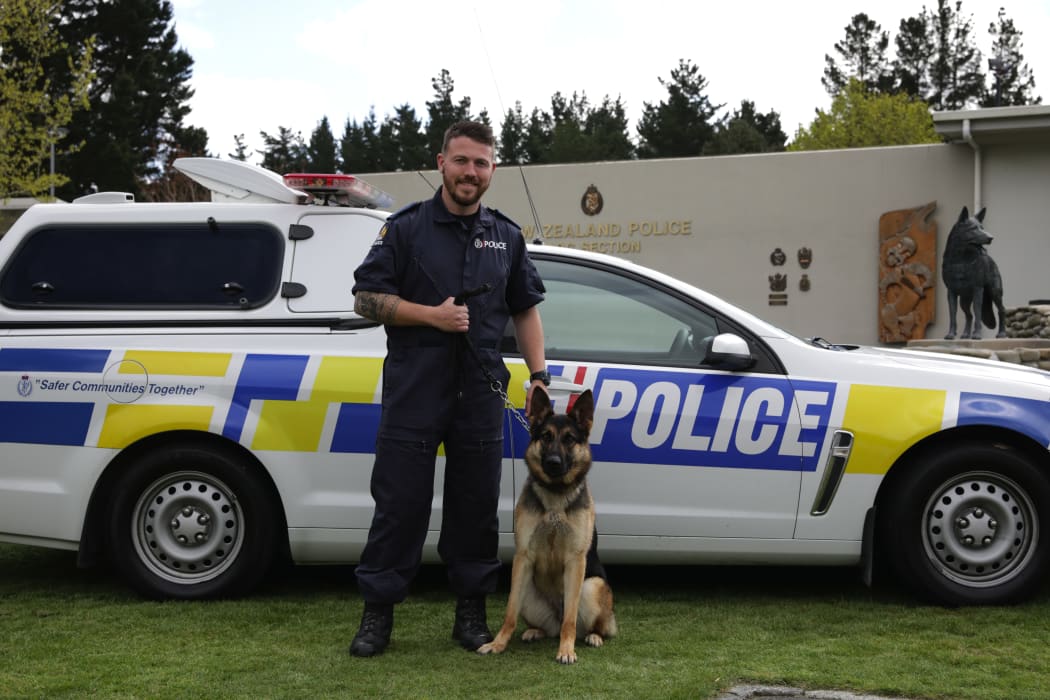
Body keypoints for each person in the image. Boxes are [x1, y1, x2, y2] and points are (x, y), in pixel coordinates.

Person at [348, 120, 549, 658]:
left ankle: (470, 615)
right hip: (415, 389)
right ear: (441, 163)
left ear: (492, 170)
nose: (471, 172)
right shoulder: (407, 228)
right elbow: (365, 297)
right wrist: (429, 317)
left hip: (480, 393)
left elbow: (525, 308)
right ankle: (377, 618)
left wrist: (539, 378)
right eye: (462, 161)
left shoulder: (505, 236)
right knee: (399, 505)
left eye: (481, 163)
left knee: (474, 508)